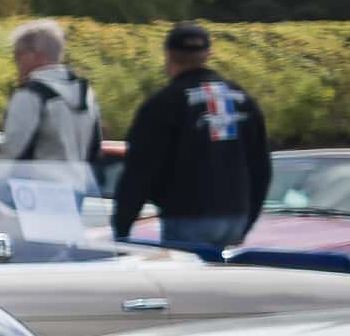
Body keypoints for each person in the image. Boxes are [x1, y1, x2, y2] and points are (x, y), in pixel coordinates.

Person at [110, 23, 269, 257]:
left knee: (188, 288)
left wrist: (121, 227)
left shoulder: (164, 103)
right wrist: (248, 216)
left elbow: (140, 170)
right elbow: (261, 166)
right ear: (208, 54)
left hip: (187, 215)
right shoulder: (243, 100)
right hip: (235, 215)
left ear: (168, 55)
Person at [0, 19, 100, 165]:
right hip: (81, 185)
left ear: (34, 55)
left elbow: (11, 153)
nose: (16, 62)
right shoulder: (86, 93)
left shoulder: (29, 95)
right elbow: (94, 150)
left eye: (17, 55)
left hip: (37, 185)